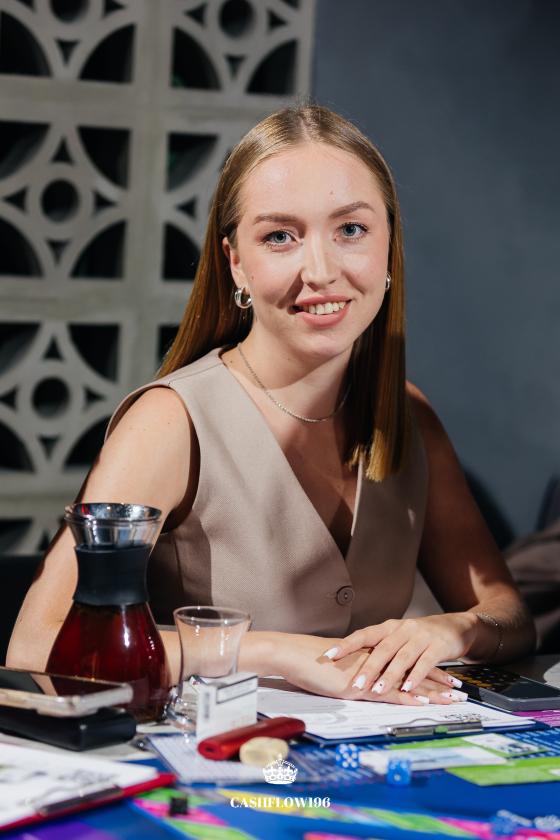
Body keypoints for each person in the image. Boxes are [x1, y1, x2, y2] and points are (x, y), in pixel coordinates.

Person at [8, 105, 535, 706]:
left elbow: (511, 616)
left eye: (351, 230)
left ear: (389, 246)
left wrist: (452, 631)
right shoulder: (170, 422)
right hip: (211, 756)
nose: (321, 271)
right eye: (280, 236)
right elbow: (36, 646)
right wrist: (275, 651)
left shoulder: (409, 416)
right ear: (236, 262)